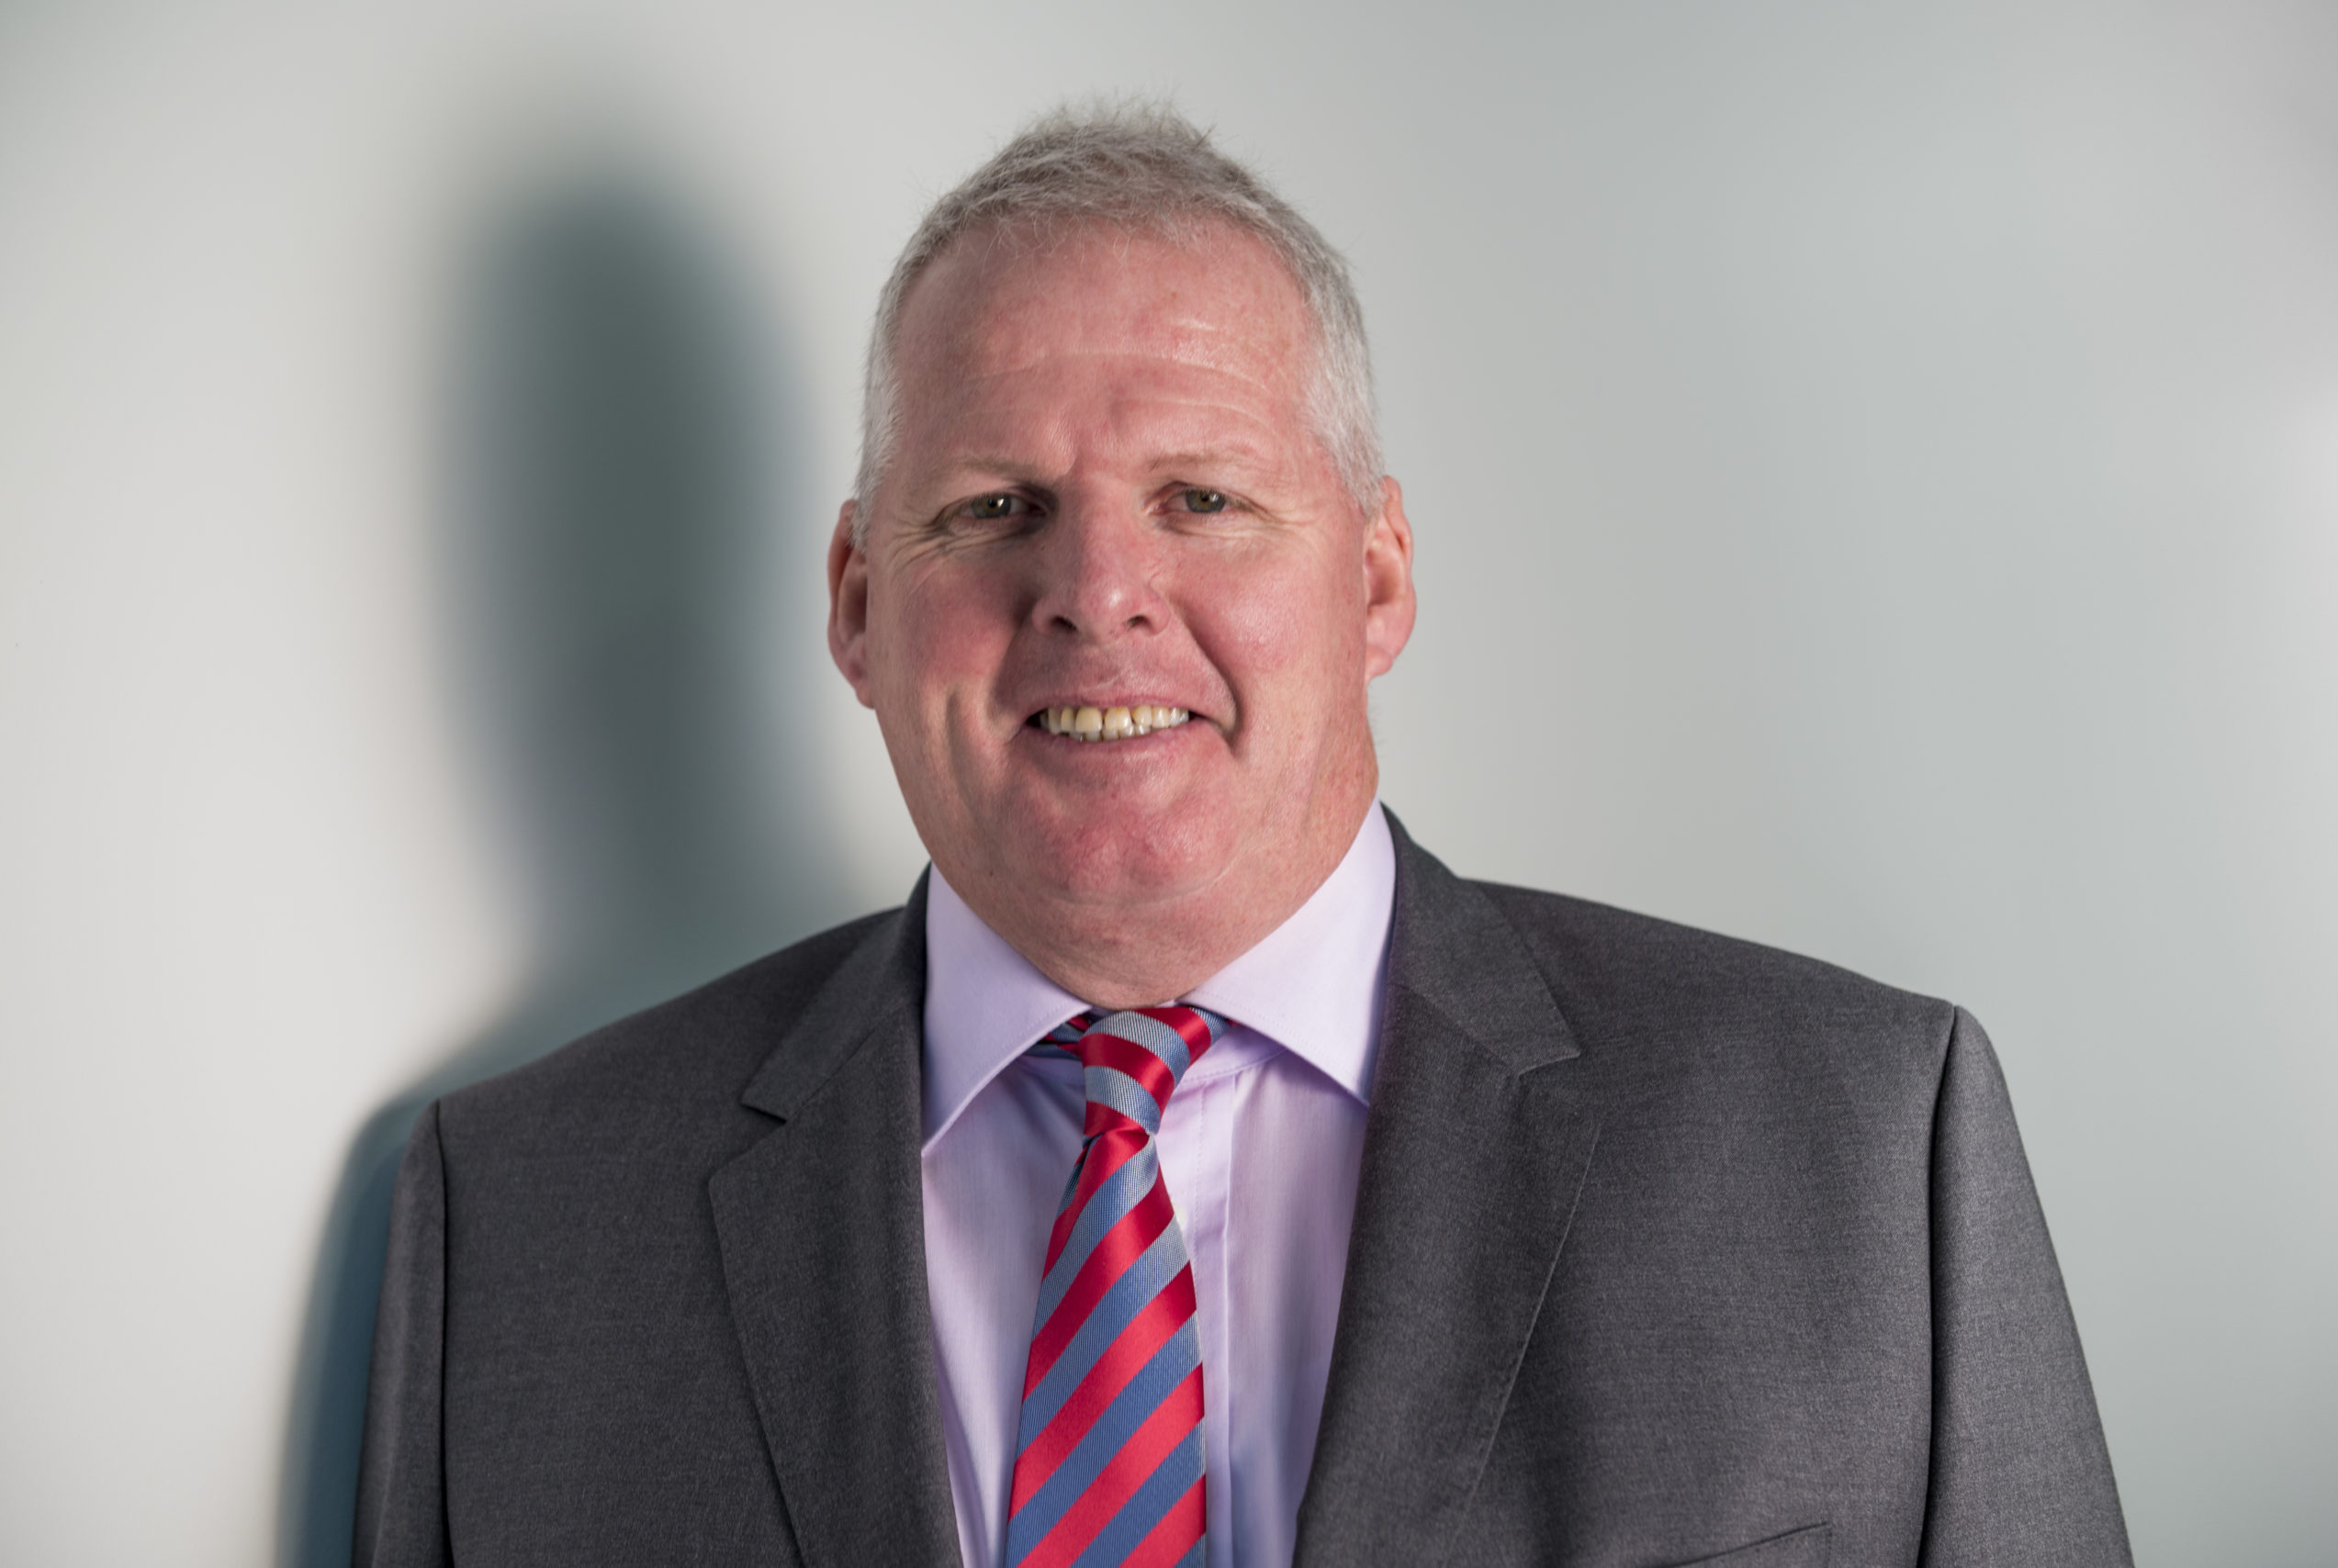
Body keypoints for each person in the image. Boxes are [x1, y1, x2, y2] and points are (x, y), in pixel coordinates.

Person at [356, 106, 2132, 1568]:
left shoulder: (1860, 1150)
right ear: (856, 604)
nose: (1097, 592)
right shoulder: (521, 1226)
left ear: (1377, 578)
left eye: (1201, 499)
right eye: (995, 508)